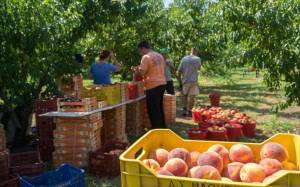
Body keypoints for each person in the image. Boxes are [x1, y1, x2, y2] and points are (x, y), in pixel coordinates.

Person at [135, 41, 166, 129]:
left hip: (152, 85)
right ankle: (162, 127)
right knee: (159, 107)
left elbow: (142, 72)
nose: (140, 53)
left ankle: (156, 129)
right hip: (162, 83)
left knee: (153, 109)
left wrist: (137, 70)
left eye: (140, 51)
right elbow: (160, 68)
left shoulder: (145, 57)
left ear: (143, 48)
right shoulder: (159, 55)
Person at [178, 47, 201, 117]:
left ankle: (184, 110)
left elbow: (179, 71)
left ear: (190, 51)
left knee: (184, 95)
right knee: (192, 97)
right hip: (194, 81)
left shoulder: (184, 59)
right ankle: (190, 110)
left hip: (185, 80)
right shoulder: (198, 59)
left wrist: (180, 81)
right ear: (196, 52)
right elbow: (199, 68)